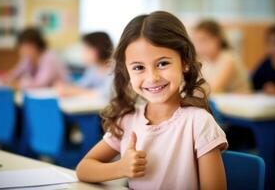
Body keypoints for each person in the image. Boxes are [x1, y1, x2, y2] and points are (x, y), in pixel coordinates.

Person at [76, 11, 228, 190]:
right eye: (139, 67)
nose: (152, 77)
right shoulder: (127, 120)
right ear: (127, 71)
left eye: (163, 63)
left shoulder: (199, 122)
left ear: (185, 62)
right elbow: (83, 169)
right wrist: (120, 167)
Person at [193, 20, 251, 94]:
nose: (199, 46)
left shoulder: (228, 59)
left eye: (204, 40)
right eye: (196, 41)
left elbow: (214, 89)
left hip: (240, 102)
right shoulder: (203, 61)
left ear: (217, 39)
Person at [3, 27, 69, 89]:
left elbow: (40, 83)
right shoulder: (28, 59)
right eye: (21, 48)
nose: (23, 51)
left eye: (27, 47)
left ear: (36, 45)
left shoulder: (49, 58)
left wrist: (18, 84)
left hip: (62, 95)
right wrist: (7, 78)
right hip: (44, 93)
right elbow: (15, 73)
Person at [55, 32, 113, 99]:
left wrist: (74, 92)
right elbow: (82, 85)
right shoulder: (93, 68)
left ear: (99, 49)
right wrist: (67, 88)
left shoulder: (114, 69)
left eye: (86, 50)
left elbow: (105, 94)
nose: (83, 53)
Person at [252, 24, 275, 95]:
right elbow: (254, 85)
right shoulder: (265, 65)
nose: (274, 48)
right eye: (272, 44)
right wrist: (264, 88)